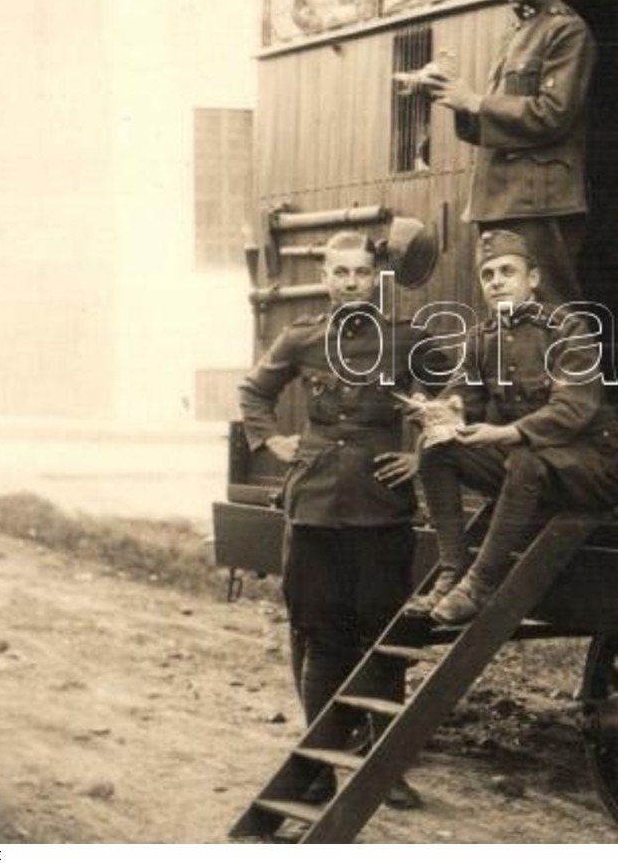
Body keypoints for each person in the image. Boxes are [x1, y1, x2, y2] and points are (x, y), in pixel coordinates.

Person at [238, 229, 430, 808]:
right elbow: (253, 392)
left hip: (380, 507)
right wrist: (271, 442)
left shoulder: (407, 340)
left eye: (361, 273)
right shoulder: (302, 338)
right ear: (325, 278)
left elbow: (454, 395)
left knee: (382, 636)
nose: (351, 283)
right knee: (319, 635)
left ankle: (382, 767)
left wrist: (422, 453)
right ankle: (316, 768)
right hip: (317, 506)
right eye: (339, 273)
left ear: (377, 278)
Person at [409, 229, 618, 625]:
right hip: (530, 466)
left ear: (533, 279)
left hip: (591, 466)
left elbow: (571, 410)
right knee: (434, 449)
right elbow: (465, 395)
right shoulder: (481, 338)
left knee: (524, 459)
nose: (496, 282)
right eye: (487, 275)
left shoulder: (567, 329)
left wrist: (504, 434)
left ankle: (480, 584)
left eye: (507, 271)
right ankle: (452, 569)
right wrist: (443, 410)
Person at [420, 0, 596, 305]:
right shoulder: (516, 32)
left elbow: (553, 114)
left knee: (550, 310)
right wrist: (454, 96)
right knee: (508, 315)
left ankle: (574, 368)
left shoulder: (566, 31)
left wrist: (476, 102)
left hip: (538, 202)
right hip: (500, 200)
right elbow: (487, 128)